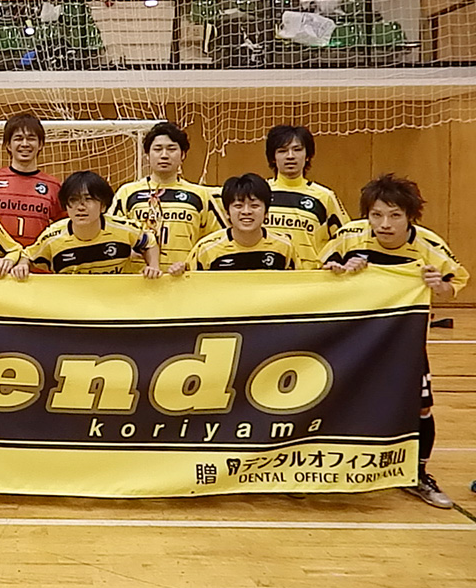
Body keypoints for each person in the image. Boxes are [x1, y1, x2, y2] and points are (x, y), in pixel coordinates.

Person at [320, 173, 469, 509]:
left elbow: (453, 285)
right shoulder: (349, 238)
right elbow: (319, 272)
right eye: (376, 215)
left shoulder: (430, 247)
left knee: (421, 407)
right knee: (337, 400)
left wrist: (439, 285)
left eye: (394, 215)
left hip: (403, 343)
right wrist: (340, 268)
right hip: (352, 341)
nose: (384, 224)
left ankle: (418, 474)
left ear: (410, 216)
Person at [111, 121, 225, 270]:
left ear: (182, 155)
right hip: (136, 280)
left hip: (183, 280)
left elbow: (220, 239)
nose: (164, 155)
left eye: (171, 149)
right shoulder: (127, 193)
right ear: (147, 155)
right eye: (157, 149)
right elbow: (109, 234)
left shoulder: (200, 195)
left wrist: (189, 264)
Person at [25, 171, 161, 276]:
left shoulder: (123, 228)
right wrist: (22, 266)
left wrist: (153, 266)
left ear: (103, 206)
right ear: (66, 206)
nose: (81, 207)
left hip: (118, 300)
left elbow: (149, 242)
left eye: (88, 199)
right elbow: (27, 257)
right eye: (74, 200)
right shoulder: (52, 237)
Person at [0, 113, 64, 247]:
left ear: (41, 144)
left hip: (37, 260)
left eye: (31, 138)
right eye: (18, 138)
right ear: (8, 145)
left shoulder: (54, 186)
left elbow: (64, 226)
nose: (25, 144)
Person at [264, 124, 349, 269]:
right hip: (268, 277)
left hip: (310, 278)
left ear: (308, 156)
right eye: (282, 151)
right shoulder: (260, 194)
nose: (290, 156)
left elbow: (345, 237)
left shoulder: (324, 196)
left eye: (297, 150)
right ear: (273, 158)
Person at [176, 173, 297, 273]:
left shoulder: (285, 247)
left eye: (254, 206)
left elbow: (298, 286)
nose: (246, 212)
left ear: (266, 212)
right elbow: (189, 286)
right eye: (238, 206)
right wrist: (178, 272)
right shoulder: (206, 249)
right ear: (227, 212)